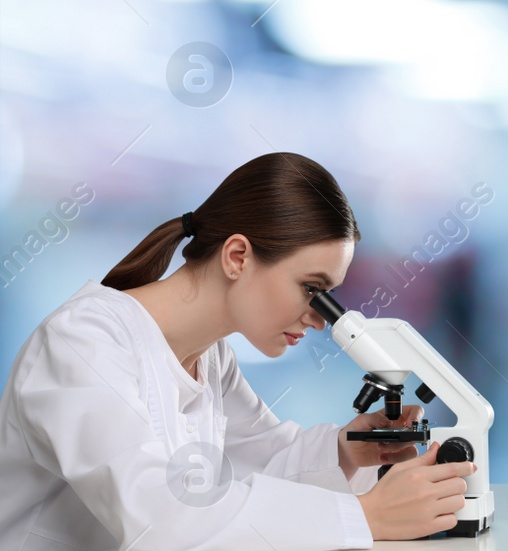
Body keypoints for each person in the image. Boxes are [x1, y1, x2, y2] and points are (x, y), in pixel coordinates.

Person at [0, 153, 470, 550]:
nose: (321, 318)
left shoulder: (211, 356)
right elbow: (160, 522)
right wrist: (363, 519)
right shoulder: (84, 341)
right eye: (312, 288)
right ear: (237, 256)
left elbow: (256, 462)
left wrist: (347, 452)